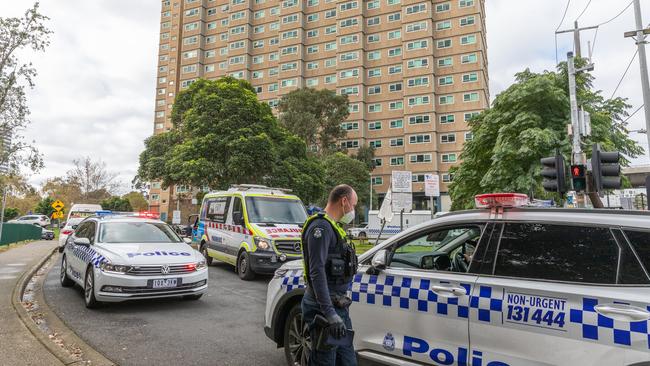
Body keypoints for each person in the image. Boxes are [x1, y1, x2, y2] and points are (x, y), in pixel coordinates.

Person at [301, 184, 359, 366]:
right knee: (325, 362)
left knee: (347, 361)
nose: (353, 210)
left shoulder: (333, 227)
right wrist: (330, 314)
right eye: (354, 205)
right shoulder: (321, 228)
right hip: (324, 309)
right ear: (344, 201)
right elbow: (316, 272)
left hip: (337, 307)